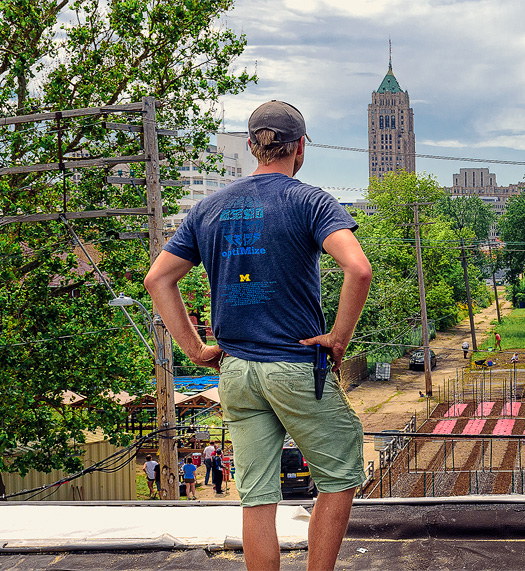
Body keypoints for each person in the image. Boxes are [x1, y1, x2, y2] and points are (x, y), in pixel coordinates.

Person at [145, 99, 371, 571]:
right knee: (338, 477)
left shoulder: (209, 208)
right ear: (300, 148)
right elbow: (358, 268)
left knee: (258, 496)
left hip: (236, 373)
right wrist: (338, 337)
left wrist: (196, 350)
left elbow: (158, 280)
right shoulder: (309, 201)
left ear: (252, 146)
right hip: (293, 366)